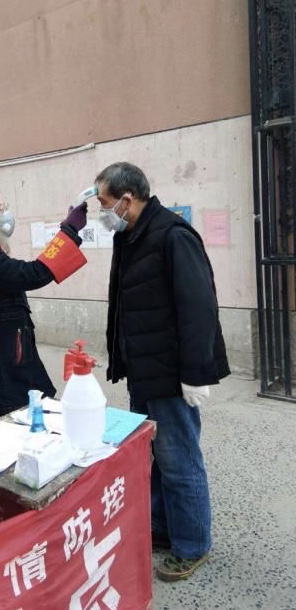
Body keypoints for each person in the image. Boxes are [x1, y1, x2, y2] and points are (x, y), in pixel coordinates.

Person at [94, 161, 230, 582]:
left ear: (127, 199)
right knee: (152, 457)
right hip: (144, 370)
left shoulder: (173, 235)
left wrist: (196, 372)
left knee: (179, 460)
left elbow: (199, 308)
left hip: (170, 374)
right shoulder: (131, 235)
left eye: (104, 203)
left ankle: (192, 546)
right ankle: (163, 529)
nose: (102, 211)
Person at [0, 181, 88, 424]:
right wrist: (69, 231)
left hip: (9, 353)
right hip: (0, 364)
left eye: (5, 207)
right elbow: (32, 274)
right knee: (11, 430)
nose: (6, 214)